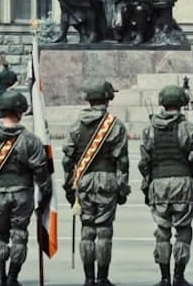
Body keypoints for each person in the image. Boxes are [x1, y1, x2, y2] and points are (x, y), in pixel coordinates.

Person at [0, 91, 51, 286]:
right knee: (19, 236)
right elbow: (40, 170)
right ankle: (12, 279)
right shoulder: (30, 140)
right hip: (22, 193)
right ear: (19, 111)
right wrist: (46, 192)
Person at [62, 79, 130, 286]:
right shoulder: (115, 125)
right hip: (107, 180)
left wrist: (68, 186)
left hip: (83, 181)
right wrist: (122, 186)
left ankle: (88, 278)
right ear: (108, 98)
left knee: (87, 230)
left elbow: (67, 159)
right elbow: (122, 160)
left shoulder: (75, 125)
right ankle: (102, 277)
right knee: (104, 231)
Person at [140, 85, 193, 286]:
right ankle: (178, 276)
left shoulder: (149, 129)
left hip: (158, 184)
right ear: (181, 103)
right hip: (183, 183)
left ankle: (163, 277)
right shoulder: (188, 128)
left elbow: (144, 162)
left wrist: (146, 186)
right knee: (183, 230)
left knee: (162, 231)